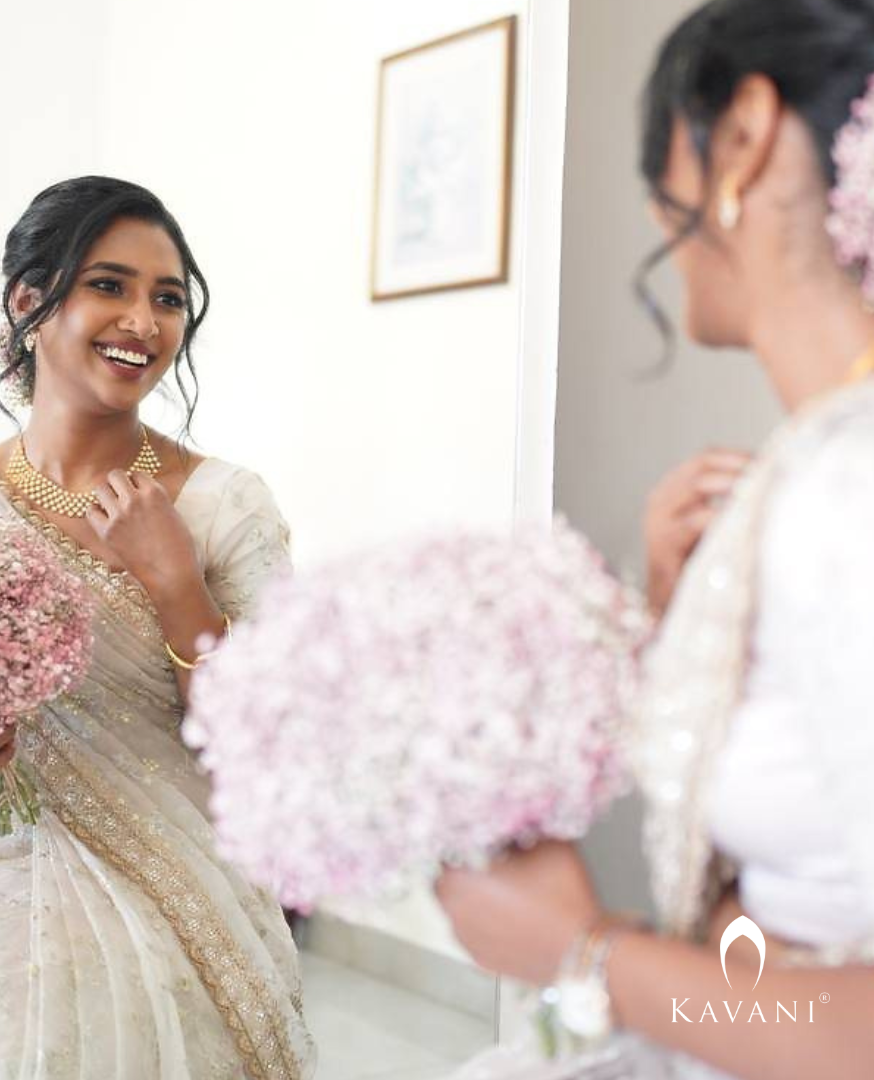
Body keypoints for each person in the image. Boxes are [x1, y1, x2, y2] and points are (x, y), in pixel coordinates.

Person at [436, 2, 874, 1078]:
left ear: (741, 136)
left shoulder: (848, 490)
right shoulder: (804, 471)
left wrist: (582, 949)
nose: (649, 206)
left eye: (659, 156)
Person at [0, 176, 315, 1080]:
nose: (143, 323)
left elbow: (266, 738)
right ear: (30, 302)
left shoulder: (224, 501)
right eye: (109, 285)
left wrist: (174, 582)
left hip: (159, 873)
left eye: (168, 298)